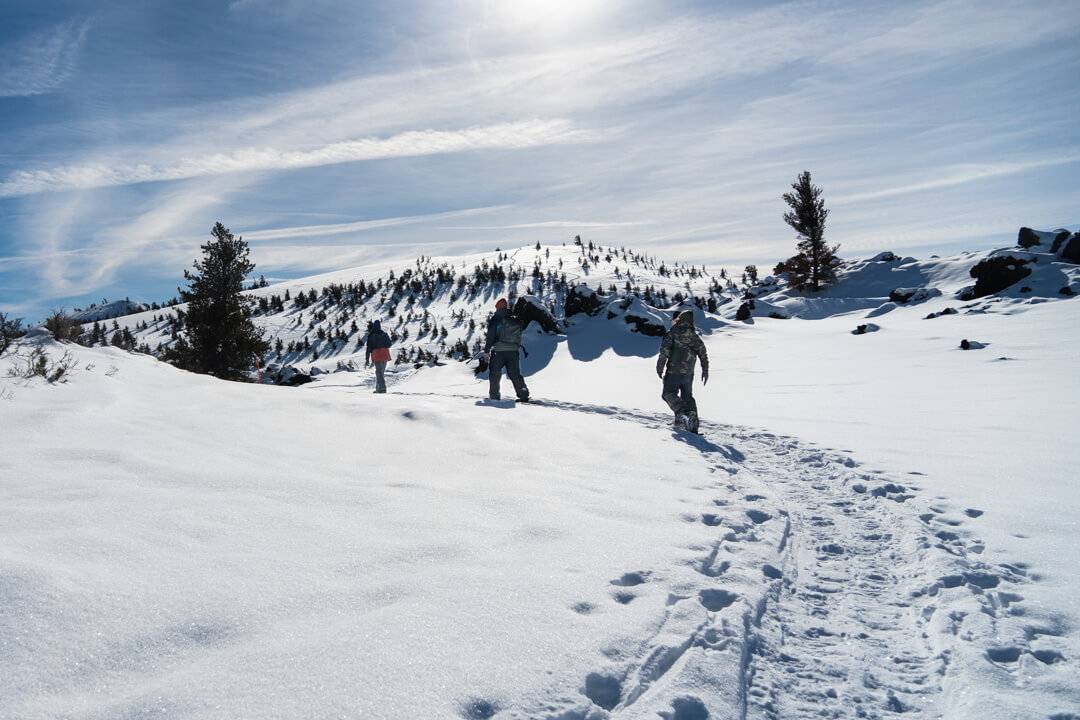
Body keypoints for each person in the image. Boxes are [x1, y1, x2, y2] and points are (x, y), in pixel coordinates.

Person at [656, 310, 709, 432]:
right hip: (688, 374)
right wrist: (705, 370)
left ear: (679, 319)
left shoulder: (672, 333)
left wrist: (659, 367)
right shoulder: (695, 336)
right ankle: (690, 425)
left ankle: (684, 414)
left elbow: (664, 352)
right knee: (687, 397)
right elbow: (703, 354)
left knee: (668, 394)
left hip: (673, 372)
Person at [485, 298, 530, 402]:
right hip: (513, 352)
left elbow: (491, 336)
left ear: (498, 307)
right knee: (514, 374)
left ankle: (494, 396)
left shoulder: (496, 319)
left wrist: (487, 350)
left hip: (499, 352)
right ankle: (523, 394)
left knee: (495, 373)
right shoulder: (513, 318)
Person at [365, 320, 392, 393]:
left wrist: (367, 359)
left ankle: (382, 388)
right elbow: (389, 344)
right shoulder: (384, 334)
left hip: (377, 354)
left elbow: (368, 348)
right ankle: (378, 388)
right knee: (380, 372)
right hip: (385, 354)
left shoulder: (371, 335)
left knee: (379, 372)